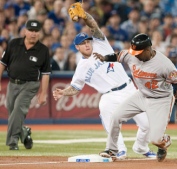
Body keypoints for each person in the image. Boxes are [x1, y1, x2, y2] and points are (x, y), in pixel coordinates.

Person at [53, 10, 156, 160]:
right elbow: (75, 87)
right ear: (77, 47)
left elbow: (93, 26)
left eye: (87, 41)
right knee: (105, 108)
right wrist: (63, 92)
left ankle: (141, 147)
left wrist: (84, 15)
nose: (87, 44)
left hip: (128, 88)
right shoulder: (81, 68)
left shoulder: (101, 44)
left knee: (147, 124)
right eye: (82, 43)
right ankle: (119, 150)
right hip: (110, 95)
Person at [93, 33, 177, 162]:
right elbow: (118, 56)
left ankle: (163, 143)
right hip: (141, 95)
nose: (135, 54)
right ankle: (112, 149)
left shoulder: (164, 64)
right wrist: (104, 58)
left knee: (155, 139)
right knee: (115, 116)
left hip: (160, 100)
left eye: (139, 51)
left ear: (149, 49)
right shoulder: (131, 55)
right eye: (134, 51)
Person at [0, 19, 51, 150]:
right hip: (12, 83)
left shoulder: (43, 50)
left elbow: (45, 73)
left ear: (39, 33)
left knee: (18, 110)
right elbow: (2, 64)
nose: (33, 33)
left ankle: (12, 142)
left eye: (36, 31)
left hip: (30, 85)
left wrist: (43, 94)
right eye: (31, 30)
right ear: (25, 31)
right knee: (13, 113)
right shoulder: (13, 44)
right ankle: (24, 133)